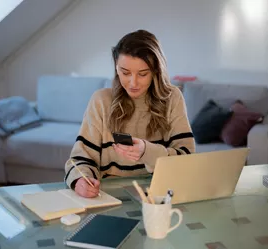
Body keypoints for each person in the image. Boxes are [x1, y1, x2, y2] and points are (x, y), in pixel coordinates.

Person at [64, 29, 195, 198]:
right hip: (108, 198)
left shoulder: (172, 98)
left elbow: (187, 162)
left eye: (143, 74)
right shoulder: (101, 100)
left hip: (159, 198)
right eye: (125, 73)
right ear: (116, 68)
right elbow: (79, 159)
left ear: (156, 71)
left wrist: (147, 152)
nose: (133, 83)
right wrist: (80, 181)